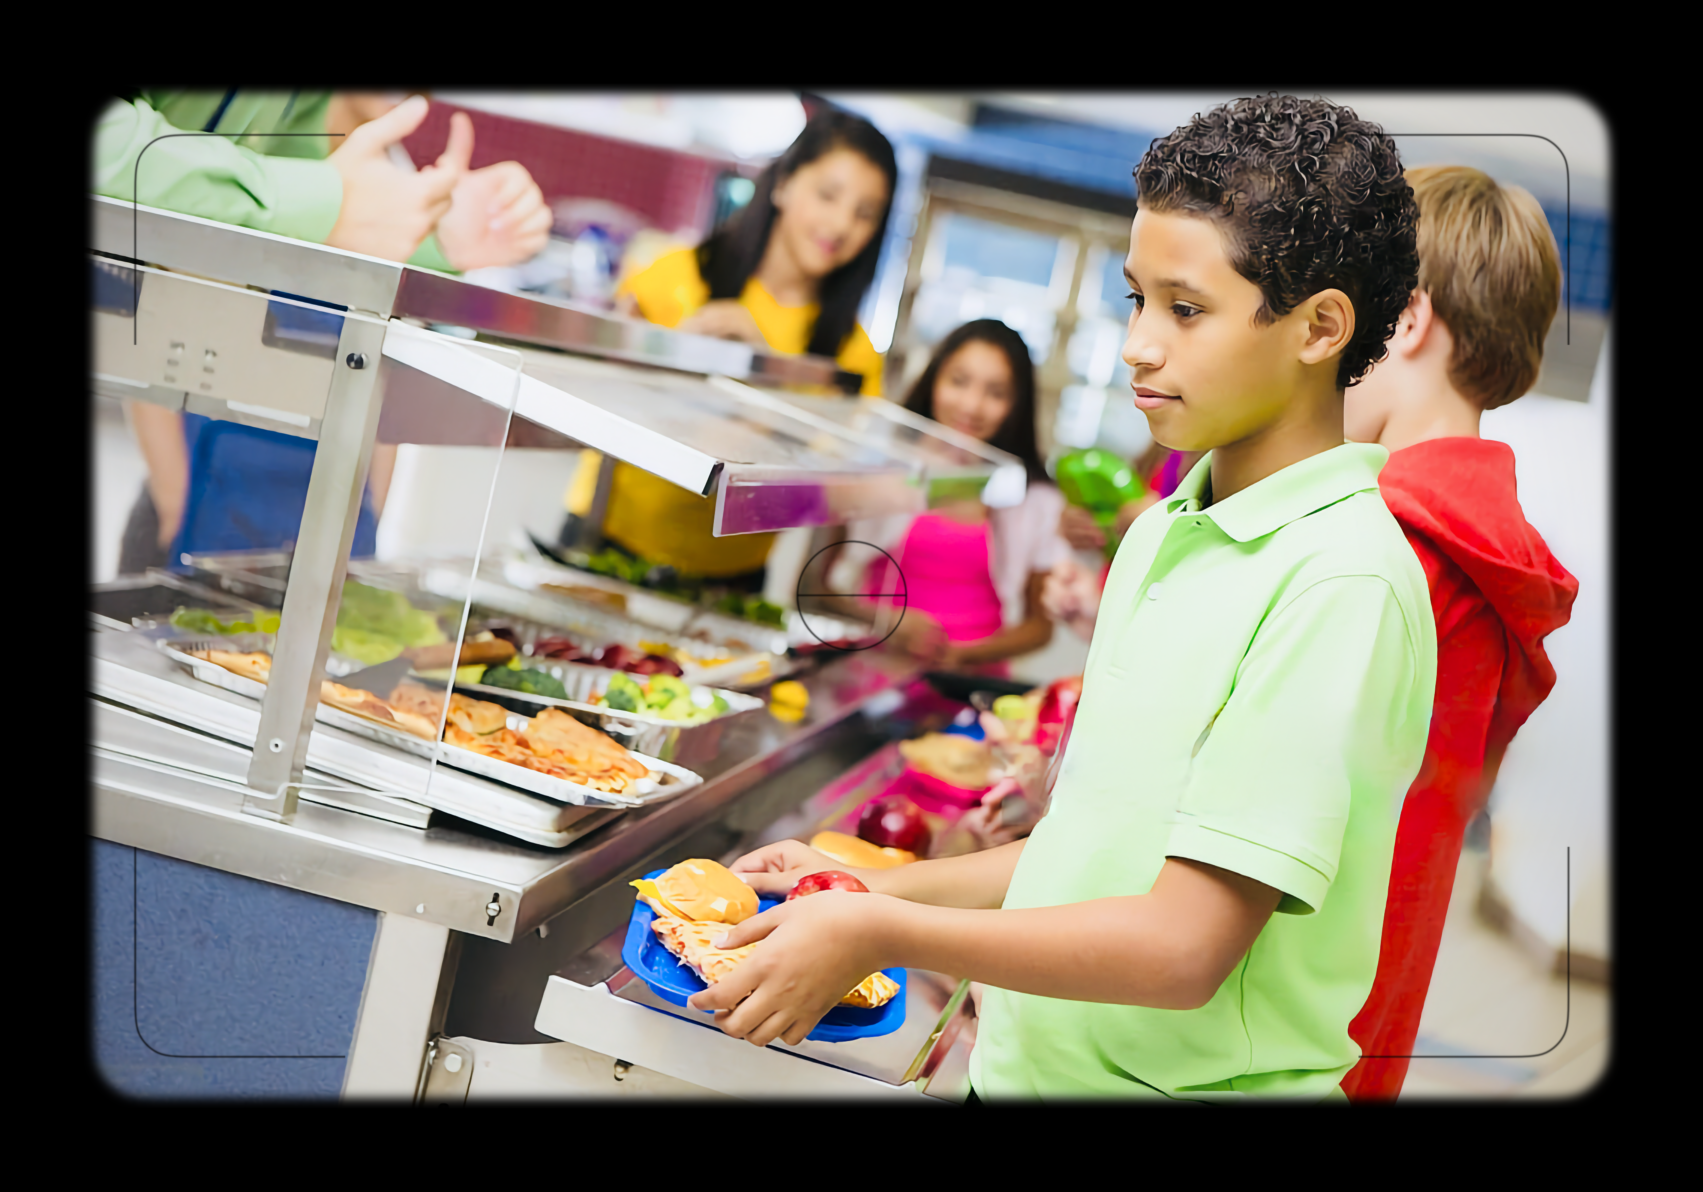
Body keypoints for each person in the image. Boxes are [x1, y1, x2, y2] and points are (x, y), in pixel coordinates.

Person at [695, 95, 1436, 1102]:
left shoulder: (1339, 581)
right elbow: (1083, 853)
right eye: (1135, 300)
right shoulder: (1168, 531)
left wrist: (880, 928)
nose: (1135, 344)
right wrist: (869, 881)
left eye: (1183, 309)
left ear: (1317, 327)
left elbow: (1183, 946)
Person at [1337, 165, 1578, 1102]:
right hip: (1375, 998)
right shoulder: (1487, 546)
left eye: (1334, 312)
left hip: (1274, 1014)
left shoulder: (1384, 540)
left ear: (1400, 319)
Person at [97, 91, 550, 573]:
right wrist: (173, 495)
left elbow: (380, 382)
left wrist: (434, 238)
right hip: (206, 489)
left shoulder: (315, 138)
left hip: (310, 514)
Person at [557, 109, 897, 587]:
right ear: (782, 185)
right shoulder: (673, 275)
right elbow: (581, 394)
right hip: (605, 541)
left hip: (730, 580)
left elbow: (829, 497)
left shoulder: (855, 354)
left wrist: (768, 383)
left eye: (865, 213)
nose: (841, 224)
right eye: (828, 195)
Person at [823, 320, 1069, 678]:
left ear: (1016, 405)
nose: (972, 405)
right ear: (933, 379)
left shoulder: (1035, 498)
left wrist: (963, 656)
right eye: (959, 381)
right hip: (869, 673)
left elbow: (1039, 629)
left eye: (996, 392)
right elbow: (818, 587)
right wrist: (887, 622)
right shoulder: (876, 470)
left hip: (971, 688)